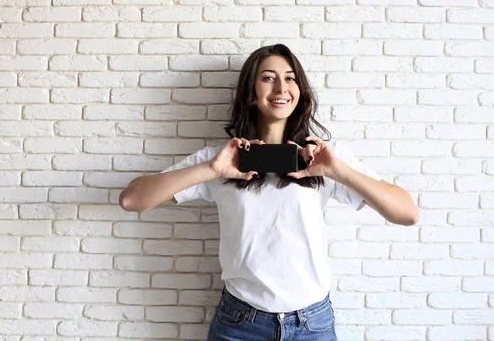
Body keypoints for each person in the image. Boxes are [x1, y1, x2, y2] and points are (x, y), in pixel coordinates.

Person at [119, 44, 419, 341]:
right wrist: (212, 169)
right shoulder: (221, 158)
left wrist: (336, 171)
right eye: (268, 77)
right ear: (251, 90)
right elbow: (132, 199)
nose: (281, 87)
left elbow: (407, 214)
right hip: (240, 322)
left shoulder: (324, 156)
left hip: (311, 323)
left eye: (290, 78)